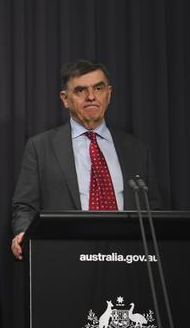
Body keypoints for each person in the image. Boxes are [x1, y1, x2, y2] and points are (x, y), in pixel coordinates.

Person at [10, 60, 161, 260]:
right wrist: (23, 232)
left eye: (98, 88)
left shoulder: (137, 150)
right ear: (65, 99)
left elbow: (154, 209)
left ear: (109, 94)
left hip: (127, 258)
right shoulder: (40, 147)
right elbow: (25, 207)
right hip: (66, 259)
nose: (91, 97)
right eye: (81, 90)